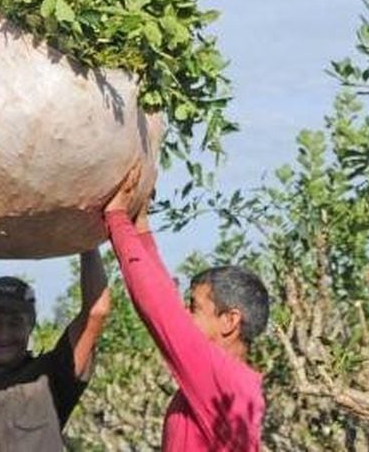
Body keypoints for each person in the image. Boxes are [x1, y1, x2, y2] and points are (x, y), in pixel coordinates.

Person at [103, 164, 270, 451]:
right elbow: (165, 299)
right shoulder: (236, 383)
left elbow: (160, 309)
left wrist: (116, 218)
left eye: (194, 308)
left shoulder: (223, 378)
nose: (185, 315)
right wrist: (140, 228)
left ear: (230, 321)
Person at [0, 242, 109, 451]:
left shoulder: (50, 376)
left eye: (15, 323)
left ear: (31, 325)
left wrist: (85, 239)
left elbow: (95, 312)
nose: (3, 334)